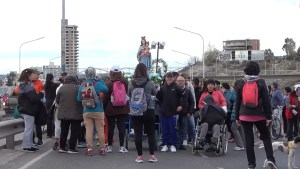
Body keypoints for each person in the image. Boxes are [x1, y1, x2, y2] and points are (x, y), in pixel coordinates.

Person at [235, 61, 278, 169]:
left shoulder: (240, 82)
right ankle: (270, 159)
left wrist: (236, 117)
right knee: (266, 137)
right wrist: (269, 116)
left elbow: (238, 101)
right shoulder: (261, 82)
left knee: (249, 139)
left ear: (246, 70)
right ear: (257, 70)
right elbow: (267, 101)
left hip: (244, 115)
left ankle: (251, 164)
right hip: (259, 115)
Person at [128, 63, 158, 162]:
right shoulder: (150, 83)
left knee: (138, 133)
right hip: (149, 110)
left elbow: (128, 96)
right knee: (151, 133)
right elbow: (155, 94)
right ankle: (152, 156)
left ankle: (139, 156)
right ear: (146, 71)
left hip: (135, 111)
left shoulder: (131, 83)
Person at [77, 67, 108, 156]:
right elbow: (106, 89)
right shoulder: (98, 84)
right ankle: (102, 149)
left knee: (88, 130)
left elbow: (79, 99)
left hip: (86, 111)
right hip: (98, 110)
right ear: (95, 74)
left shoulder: (82, 85)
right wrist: (101, 81)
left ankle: (90, 149)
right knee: (100, 130)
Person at [103, 65, 129, 153]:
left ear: (111, 73)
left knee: (110, 128)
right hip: (122, 108)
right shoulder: (125, 82)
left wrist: (103, 108)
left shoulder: (109, 83)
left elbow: (105, 97)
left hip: (110, 109)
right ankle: (121, 147)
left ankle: (109, 146)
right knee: (121, 127)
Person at [157, 71, 184, 153]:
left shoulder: (177, 87)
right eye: (168, 77)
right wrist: (157, 91)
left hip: (173, 112)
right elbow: (158, 99)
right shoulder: (162, 88)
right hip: (163, 112)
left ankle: (173, 145)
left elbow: (183, 97)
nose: (169, 78)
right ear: (165, 78)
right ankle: (165, 144)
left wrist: (181, 105)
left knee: (173, 129)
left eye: (171, 77)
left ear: (173, 78)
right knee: (164, 129)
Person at [56, 75, 83, 154]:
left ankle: (62, 147)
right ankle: (71, 148)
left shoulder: (61, 88)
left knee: (64, 130)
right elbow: (81, 100)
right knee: (74, 131)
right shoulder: (78, 88)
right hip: (76, 113)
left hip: (63, 113)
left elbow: (57, 100)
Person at [18, 68, 41, 152]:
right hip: (28, 109)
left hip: (25, 109)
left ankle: (30, 144)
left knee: (30, 128)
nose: (35, 76)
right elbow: (33, 98)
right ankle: (26, 146)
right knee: (29, 128)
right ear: (29, 75)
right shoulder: (27, 86)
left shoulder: (23, 85)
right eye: (33, 74)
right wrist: (41, 95)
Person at [175, 76, 194, 150]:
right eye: (179, 80)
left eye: (182, 81)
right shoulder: (174, 90)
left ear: (184, 82)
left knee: (183, 128)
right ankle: (177, 143)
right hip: (175, 112)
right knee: (176, 128)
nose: (180, 82)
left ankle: (182, 143)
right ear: (176, 81)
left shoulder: (188, 91)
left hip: (185, 113)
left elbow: (192, 102)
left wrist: (190, 112)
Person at [31, 70, 45, 146]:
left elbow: (42, 95)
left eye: (38, 75)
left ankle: (40, 139)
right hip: (29, 106)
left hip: (38, 106)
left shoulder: (40, 84)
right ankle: (32, 139)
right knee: (31, 125)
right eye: (37, 75)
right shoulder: (28, 83)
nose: (38, 76)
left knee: (37, 124)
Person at [230, 80, 245, 151]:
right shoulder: (244, 92)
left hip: (237, 114)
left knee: (234, 128)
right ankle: (244, 145)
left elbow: (230, 98)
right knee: (241, 128)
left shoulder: (236, 93)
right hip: (242, 114)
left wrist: (232, 91)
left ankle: (240, 145)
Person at [44, 73, 59, 138]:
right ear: (52, 78)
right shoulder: (54, 85)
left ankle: (48, 134)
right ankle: (53, 133)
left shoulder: (45, 85)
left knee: (48, 118)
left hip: (47, 102)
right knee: (53, 118)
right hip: (53, 102)